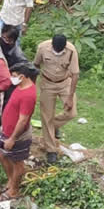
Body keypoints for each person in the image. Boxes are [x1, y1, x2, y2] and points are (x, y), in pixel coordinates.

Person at [0, 62, 39, 200]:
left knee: (18, 162)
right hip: (6, 130)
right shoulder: (20, 86)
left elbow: (23, 120)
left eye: (14, 76)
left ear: (23, 76)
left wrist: (13, 138)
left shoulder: (28, 95)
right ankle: (11, 181)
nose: (11, 78)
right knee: (0, 154)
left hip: (17, 135)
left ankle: (14, 190)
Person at [33, 34, 80, 164]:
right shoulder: (43, 47)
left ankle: (52, 127)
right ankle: (51, 150)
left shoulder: (71, 51)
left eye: (60, 51)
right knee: (46, 116)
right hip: (47, 83)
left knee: (71, 113)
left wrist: (70, 97)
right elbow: (36, 65)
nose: (58, 52)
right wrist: (32, 86)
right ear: (52, 44)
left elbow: (75, 75)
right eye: (55, 50)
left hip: (65, 82)